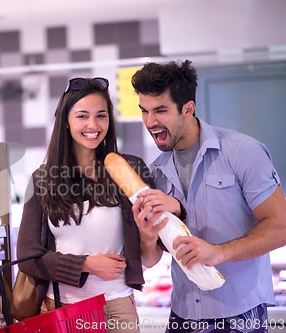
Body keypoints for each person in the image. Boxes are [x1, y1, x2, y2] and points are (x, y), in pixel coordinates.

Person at [16, 77, 183, 332]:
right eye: (82, 116)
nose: (93, 125)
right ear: (66, 121)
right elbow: (28, 256)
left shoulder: (131, 169)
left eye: (101, 116)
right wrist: (85, 264)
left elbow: (151, 260)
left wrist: (148, 240)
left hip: (119, 306)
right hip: (62, 308)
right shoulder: (42, 180)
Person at [131, 59, 286, 332]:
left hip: (240, 315)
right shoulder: (155, 172)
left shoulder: (242, 152)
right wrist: (147, 236)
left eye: (160, 110)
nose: (150, 121)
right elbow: (151, 258)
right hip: (183, 314)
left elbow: (281, 226)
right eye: (144, 111)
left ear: (188, 109)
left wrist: (218, 253)